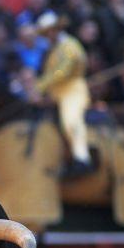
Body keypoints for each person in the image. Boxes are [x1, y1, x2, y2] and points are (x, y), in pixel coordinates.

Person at [33, 11, 94, 179]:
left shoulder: (70, 46)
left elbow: (62, 72)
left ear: (57, 29)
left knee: (71, 120)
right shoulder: (54, 50)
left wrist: (39, 86)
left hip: (72, 92)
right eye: (45, 33)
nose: (47, 35)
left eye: (49, 31)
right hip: (55, 95)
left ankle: (82, 158)